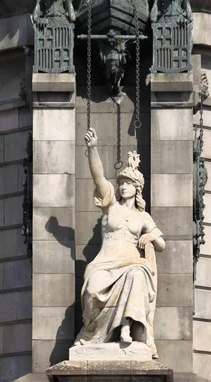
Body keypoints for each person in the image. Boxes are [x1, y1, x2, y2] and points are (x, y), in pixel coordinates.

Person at [75, 128, 165, 358]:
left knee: (137, 274)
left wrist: (149, 237)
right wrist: (92, 148)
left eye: (128, 183)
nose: (123, 186)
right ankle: (92, 335)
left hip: (131, 263)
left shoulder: (143, 217)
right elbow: (99, 177)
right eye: (121, 183)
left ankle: (126, 327)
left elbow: (162, 244)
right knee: (93, 292)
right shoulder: (110, 206)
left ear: (137, 188)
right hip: (105, 264)